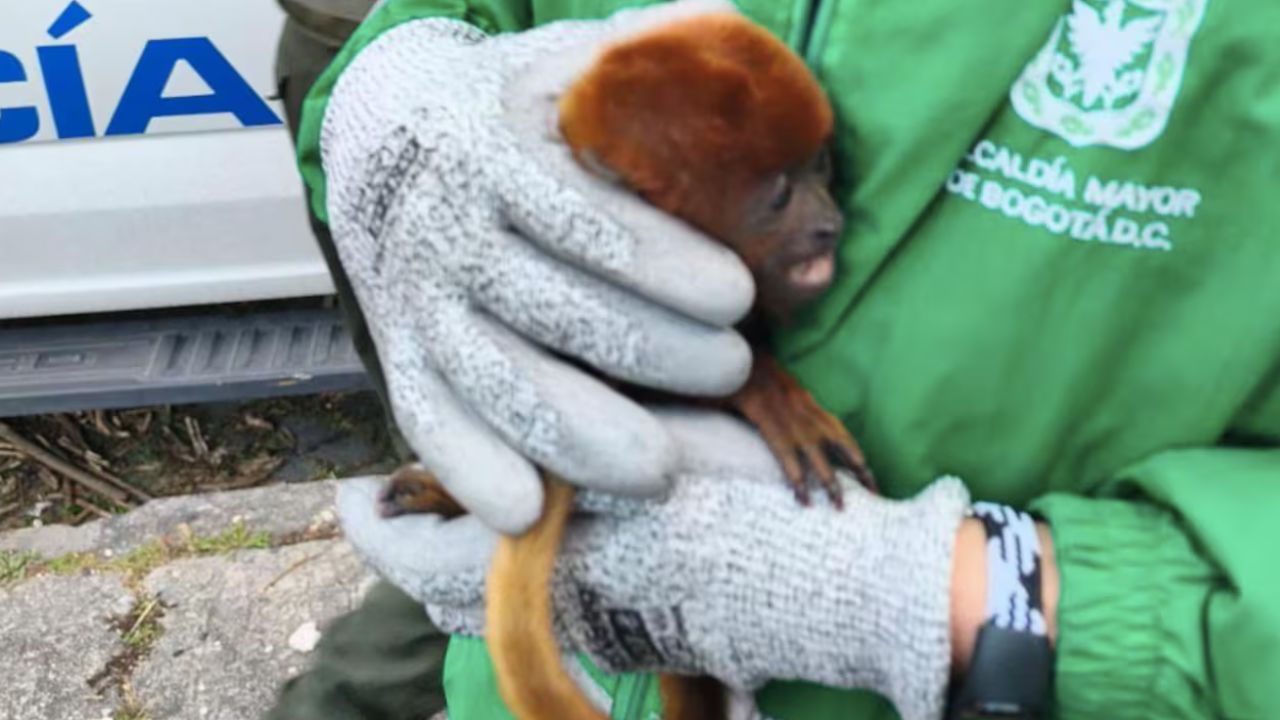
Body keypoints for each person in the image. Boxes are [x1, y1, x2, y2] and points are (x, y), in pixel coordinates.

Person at [270, 0, 1280, 718]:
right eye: (786, 198)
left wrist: (950, 595)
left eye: (820, 184)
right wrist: (391, 79)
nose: (829, 219)